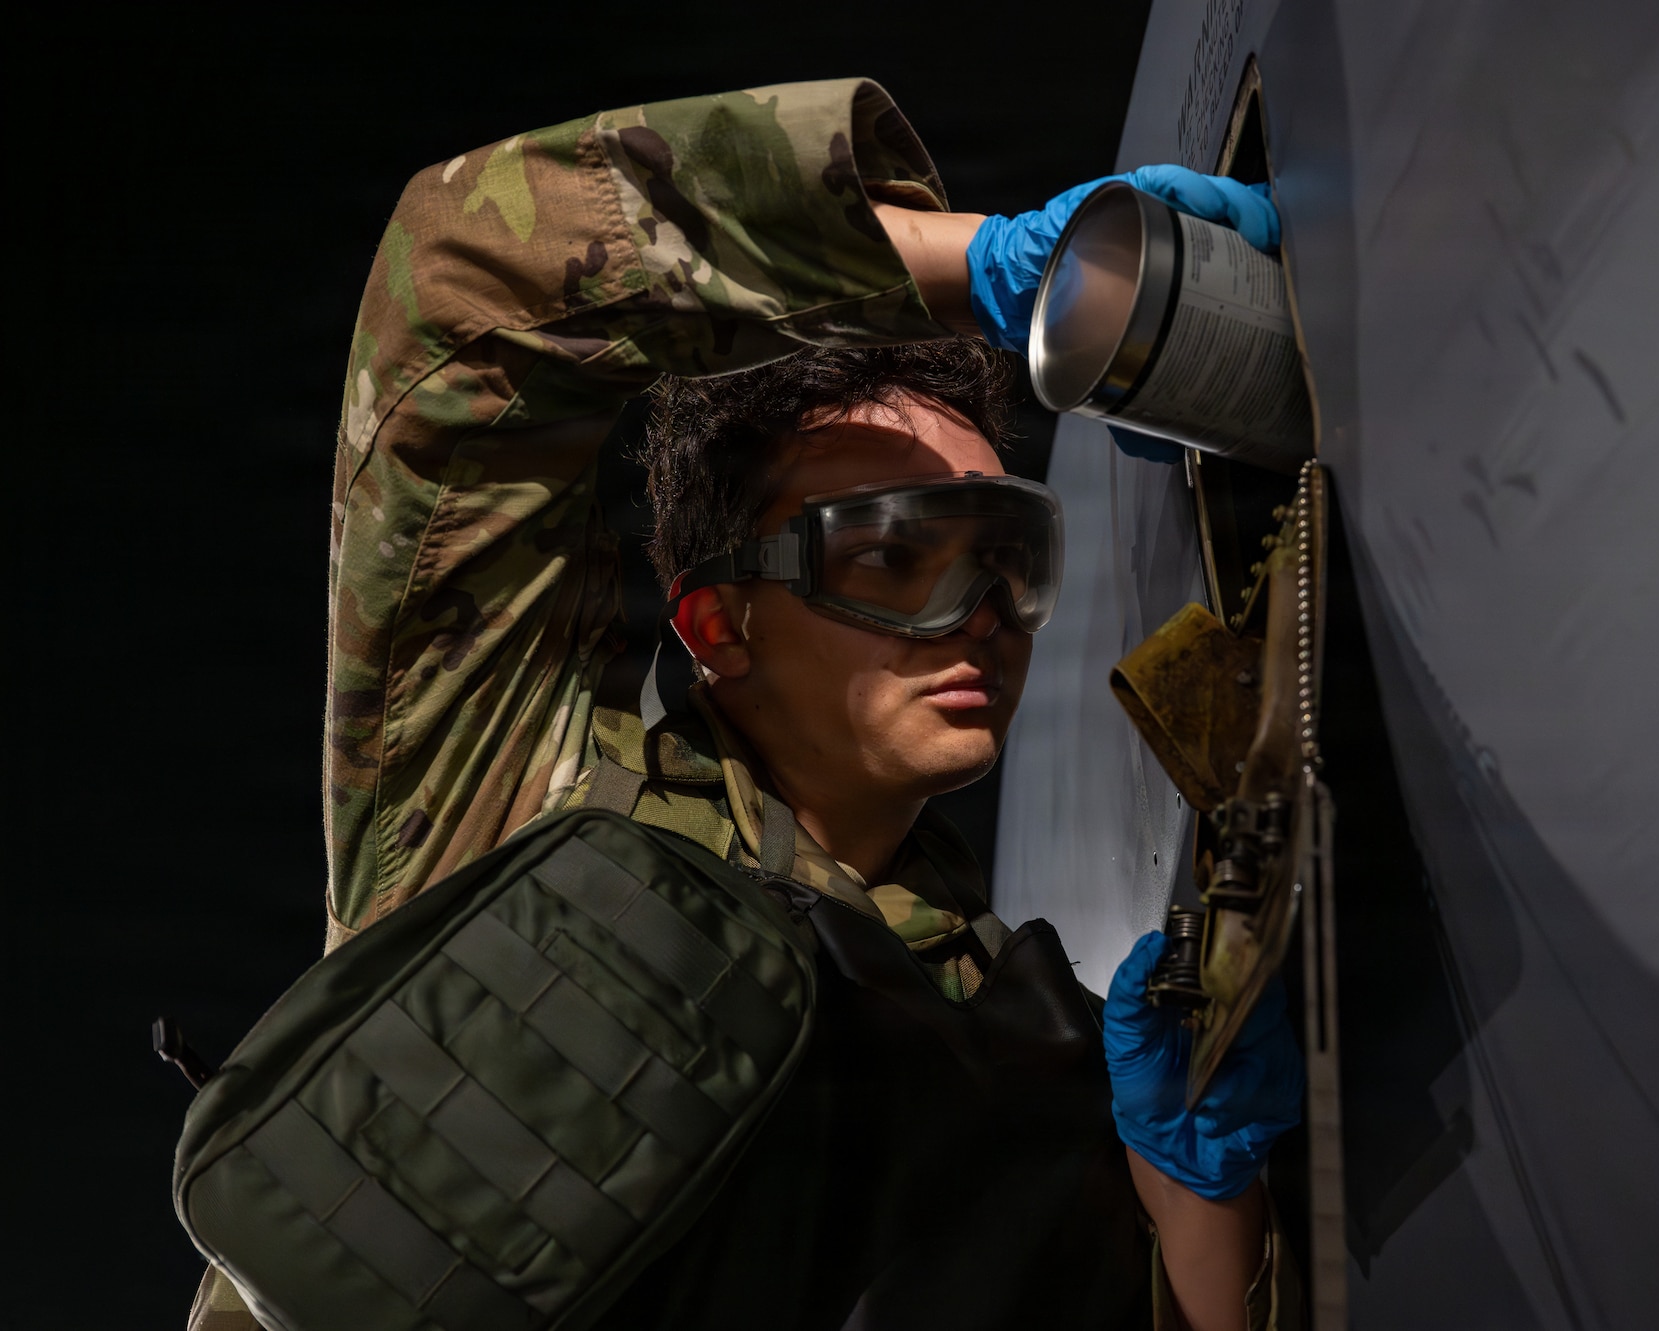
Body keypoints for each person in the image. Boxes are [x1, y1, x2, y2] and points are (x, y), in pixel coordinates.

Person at [185, 78, 1300, 1331]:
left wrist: (1199, 1190)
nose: (978, 612)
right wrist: (987, 269)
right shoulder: (524, 816)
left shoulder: (1013, 1042)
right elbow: (461, 294)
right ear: (720, 624)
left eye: (1006, 557)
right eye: (895, 555)